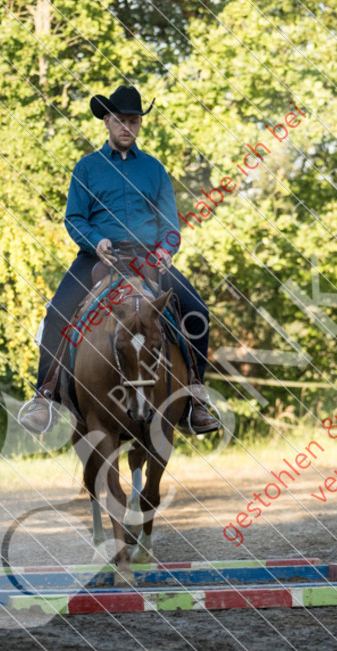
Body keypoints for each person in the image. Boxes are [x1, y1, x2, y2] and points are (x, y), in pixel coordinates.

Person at [18, 85, 220, 435]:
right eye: (121, 120)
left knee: (198, 312)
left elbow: (170, 225)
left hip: (149, 260)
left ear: (139, 124)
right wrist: (96, 242)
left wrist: (164, 250)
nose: (128, 127)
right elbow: (74, 218)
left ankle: (196, 399)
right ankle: (45, 395)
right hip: (99, 259)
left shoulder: (155, 170)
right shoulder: (87, 168)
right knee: (56, 314)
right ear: (107, 121)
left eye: (134, 121)